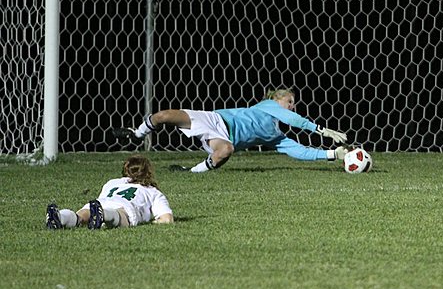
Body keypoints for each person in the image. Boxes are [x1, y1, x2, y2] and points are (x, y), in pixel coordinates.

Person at [112, 88, 349, 173]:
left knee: (226, 150)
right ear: (276, 99)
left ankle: (192, 171)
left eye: (293, 102)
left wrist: (331, 154)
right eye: (289, 100)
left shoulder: (275, 136)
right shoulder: (267, 106)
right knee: (164, 115)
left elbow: (298, 150)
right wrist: (319, 129)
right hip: (213, 119)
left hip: (221, 137)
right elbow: (291, 117)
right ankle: (137, 133)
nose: (292, 105)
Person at [46, 155, 173, 230]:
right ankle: (104, 215)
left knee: (81, 216)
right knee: (118, 215)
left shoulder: (113, 182)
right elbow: (167, 219)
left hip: (102, 202)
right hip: (125, 207)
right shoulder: (152, 191)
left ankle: (60, 217)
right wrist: (155, 222)